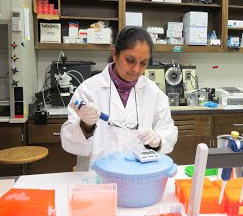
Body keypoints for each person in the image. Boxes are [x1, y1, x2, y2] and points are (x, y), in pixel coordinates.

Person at [60, 26, 178, 171]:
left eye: (143, 63)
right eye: (130, 60)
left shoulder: (153, 92)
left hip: (138, 174)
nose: (136, 69)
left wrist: (159, 139)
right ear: (115, 54)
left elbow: (168, 130)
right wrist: (86, 126)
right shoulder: (89, 89)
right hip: (97, 177)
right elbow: (69, 143)